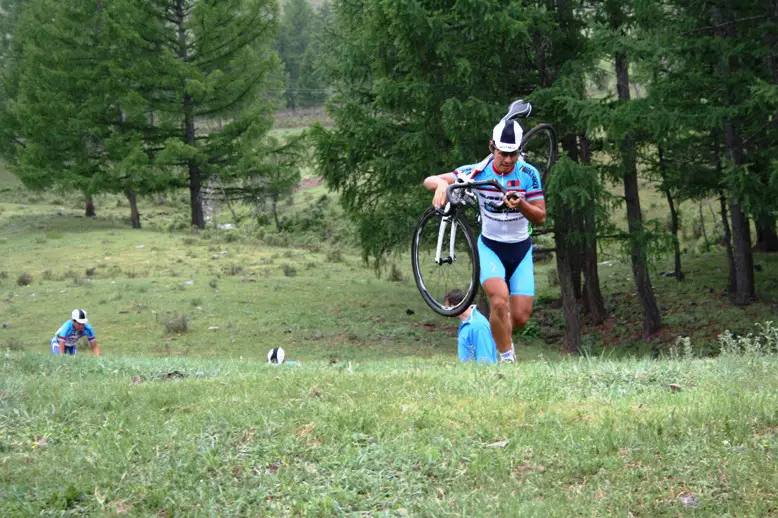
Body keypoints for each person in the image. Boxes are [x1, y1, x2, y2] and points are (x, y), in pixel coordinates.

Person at [424, 119, 546, 362]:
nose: (508, 160)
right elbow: (431, 179)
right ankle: (507, 359)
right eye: (503, 153)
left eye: (513, 154)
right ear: (492, 147)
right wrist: (439, 185)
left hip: (520, 249)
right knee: (499, 301)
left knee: (520, 317)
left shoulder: (528, 174)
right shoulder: (478, 171)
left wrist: (521, 204)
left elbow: (541, 217)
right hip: (490, 247)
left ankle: (502, 336)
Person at [445, 289, 498, 364]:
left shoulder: (478, 326)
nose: (446, 311)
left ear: (454, 306)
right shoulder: (466, 322)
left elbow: (485, 360)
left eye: (447, 307)